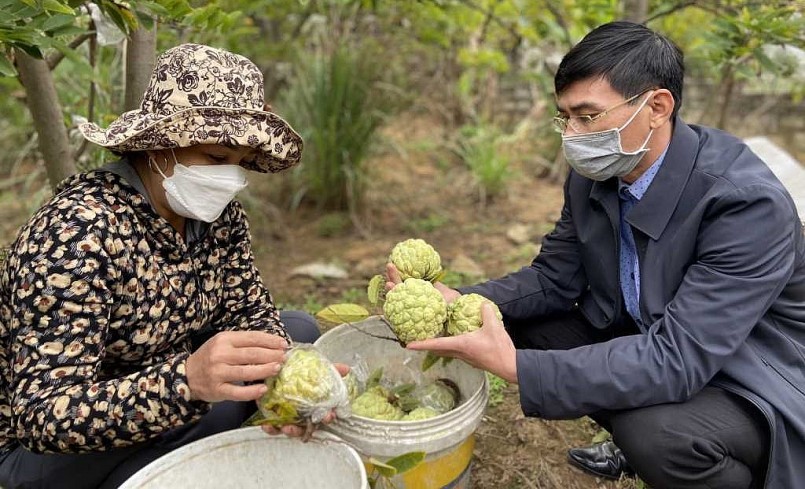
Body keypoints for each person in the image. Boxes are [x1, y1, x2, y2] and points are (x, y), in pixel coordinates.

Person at [395, 21, 805, 489]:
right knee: (513, 320)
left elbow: (680, 357)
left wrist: (517, 368)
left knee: (656, 436)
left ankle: (729, 469)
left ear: (657, 106)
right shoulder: (599, 173)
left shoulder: (744, 203)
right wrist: (457, 300)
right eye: (564, 117)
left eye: (587, 117)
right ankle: (644, 431)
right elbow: (554, 278)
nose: (571, 134)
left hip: (751, 374)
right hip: (656, 337)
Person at [0, 43, 335, 489]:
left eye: (239, 165)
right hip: (39, 451)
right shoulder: (78, 234)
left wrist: (288, 388)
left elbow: (246, 309)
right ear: (160, 148)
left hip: (159, 370)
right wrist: (185, 383)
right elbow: (46, 416)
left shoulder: (217, 217)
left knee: (298, 334)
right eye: (217, 159)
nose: (230, 178)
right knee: (214, 410)